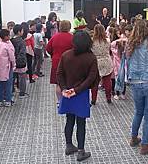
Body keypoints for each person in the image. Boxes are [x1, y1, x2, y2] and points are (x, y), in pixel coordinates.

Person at [116, 20, 148, 155]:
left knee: (138, 112)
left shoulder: (130, 47)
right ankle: (145, 145)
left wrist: (119, 84)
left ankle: (134, 138)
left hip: (135, 84)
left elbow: (122, 67)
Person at [57, 31, 100, 162]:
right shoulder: (91, 57)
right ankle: (81, 151)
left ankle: (69, 145)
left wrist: (65, 89)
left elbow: (59, 74)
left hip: (67, 93)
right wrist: (78, 90)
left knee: (69, 120)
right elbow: (92, 77)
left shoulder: (66, 55)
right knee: (81, 123)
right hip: (81, 94)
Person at [46, 20, 73, 104]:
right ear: (69, 27)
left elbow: (48, 48)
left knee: (58, 83)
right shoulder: (72, 37)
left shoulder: (55, 37)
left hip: (56, 61)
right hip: (69, 62)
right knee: (69, 81)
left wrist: (53, 55)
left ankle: (59, 101)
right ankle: (68, 99)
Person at [91, 24, 113, 105]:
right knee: (107, 81)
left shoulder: (92, 41)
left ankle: (93, 99)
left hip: (96, 62)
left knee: (95, 83)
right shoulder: (107, 40)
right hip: (107, 61)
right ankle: (108, 98)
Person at [0, 29, 16, 107]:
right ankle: (8, 100)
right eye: (8, 35)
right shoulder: (7, 45)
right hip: (7, 67)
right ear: (6, 36)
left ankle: (0, 99)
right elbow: (12, 57)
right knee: (8, 83)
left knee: (0, 84)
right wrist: (14, 64)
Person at [11, 24, 29, 99]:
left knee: (12, 78)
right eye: (22, 30)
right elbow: (22, 53)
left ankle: (11, 92)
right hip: (21, 63)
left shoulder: (11, 41)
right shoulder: (22, 42)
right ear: (19, 32)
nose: (23, 31)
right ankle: (22, 93)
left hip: (12, 62)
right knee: (22, 78)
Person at [110, 26, 127, 100]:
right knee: (117, 78)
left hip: (123, 63)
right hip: (116, 63)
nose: (119, 35)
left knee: (123, 78)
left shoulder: (124, 44)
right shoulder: (115, 43)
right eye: (117, 33)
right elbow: (112, 46)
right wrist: (118, 41)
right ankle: (116, 92)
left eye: (120, 33)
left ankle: (123, 93)